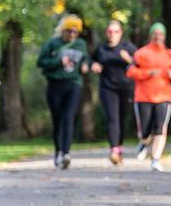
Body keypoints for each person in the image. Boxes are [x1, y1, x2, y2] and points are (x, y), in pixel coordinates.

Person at [36, 14, 89, 170]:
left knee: (68, 118)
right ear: (63, 31)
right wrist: (58, 61)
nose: (72, 34)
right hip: (55, 85)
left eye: (75, 32)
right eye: (69, 31)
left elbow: (85, 58)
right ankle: (58, 152)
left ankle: (66, 154)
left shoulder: (80, 44)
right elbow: (41, 62)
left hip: (73, 84)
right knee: (58, 121)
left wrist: (85, 65)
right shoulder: (52, 44)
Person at [127, 22, 171, 172]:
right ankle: (144, 143)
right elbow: (130, 71)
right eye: (155, 33)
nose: (158, 36)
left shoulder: (169, 55)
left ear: (164, 36)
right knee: (144, 131)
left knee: (160, 129)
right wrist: (148, 73)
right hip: (144, 97)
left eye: (161, 34)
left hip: (164, 97)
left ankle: (156, 159)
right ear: (151, 35)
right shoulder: (141, 53)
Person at [91, 19, 138, 165]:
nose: (112, 34)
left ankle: (119, 146)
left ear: (120, 33)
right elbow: (90, 60)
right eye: (110, 31)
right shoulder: (102, 49)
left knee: (122, 118)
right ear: (106, 33)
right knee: (112, 118)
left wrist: (129, 59)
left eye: (115, 31)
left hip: (126, 87)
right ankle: (114, 150)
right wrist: (94, 65)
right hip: (107, 87)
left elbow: (140, 63)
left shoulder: (128, 47)